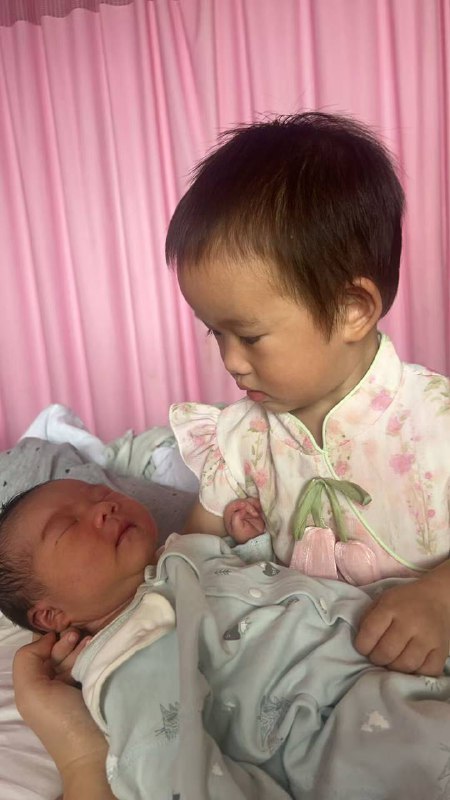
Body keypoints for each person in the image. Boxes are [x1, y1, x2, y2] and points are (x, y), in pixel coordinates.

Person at [165, 111, 450, 676]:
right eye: (215, 333)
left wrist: (440, 597)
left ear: (351, 311)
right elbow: (190, 552)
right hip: (304, 682)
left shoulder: (435, 421)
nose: (231, 362)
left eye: (249, 336)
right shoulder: (242, 436)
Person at [6, 476, 450, 800]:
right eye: (68, 527)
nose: (104, 508)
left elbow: (242, 595)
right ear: (51, 615)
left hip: (382, 641)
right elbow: (165, 766)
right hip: (339, 727)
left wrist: (248, 547)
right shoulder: (123, 656)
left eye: (100, 493)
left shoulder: (176, 556)